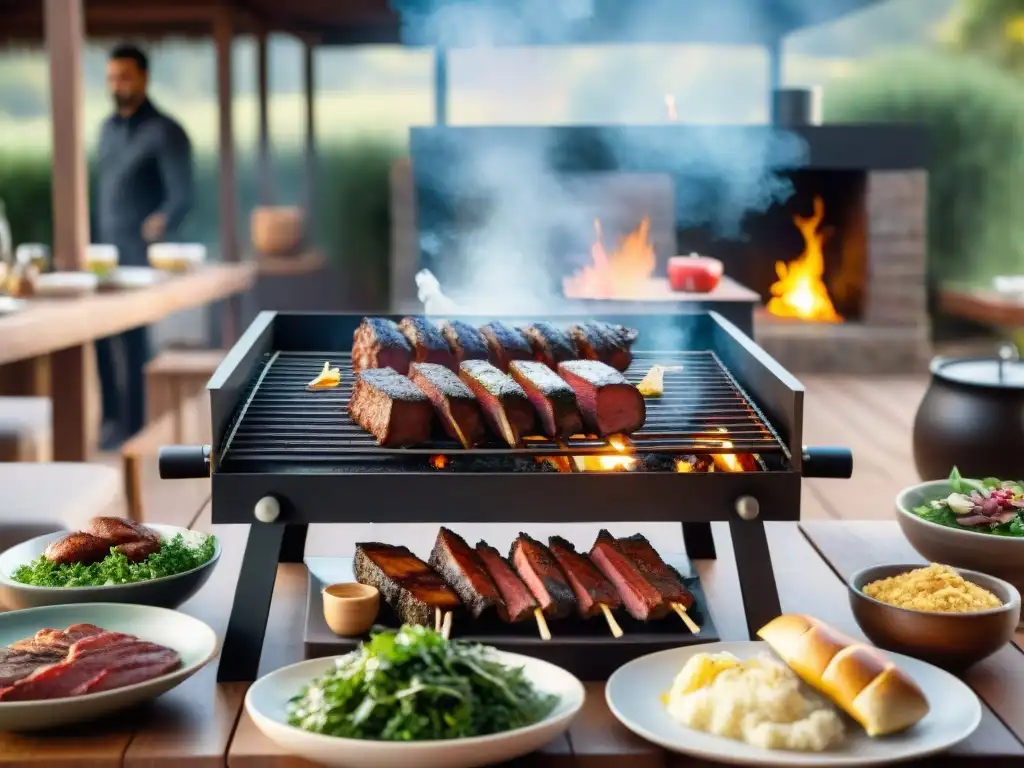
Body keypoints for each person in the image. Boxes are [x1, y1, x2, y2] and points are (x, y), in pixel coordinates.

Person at [93, 44, 194, 448]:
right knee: (99, 337)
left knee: (134, 342)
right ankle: (110, 421)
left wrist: (161, 220)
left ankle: (134, 428)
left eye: (125, 77)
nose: (117, 85)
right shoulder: (106, 129)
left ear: (144, 78)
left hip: (140, 255)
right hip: (102, 254)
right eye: (112, 78)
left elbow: (182, 195)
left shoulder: (166, 131)